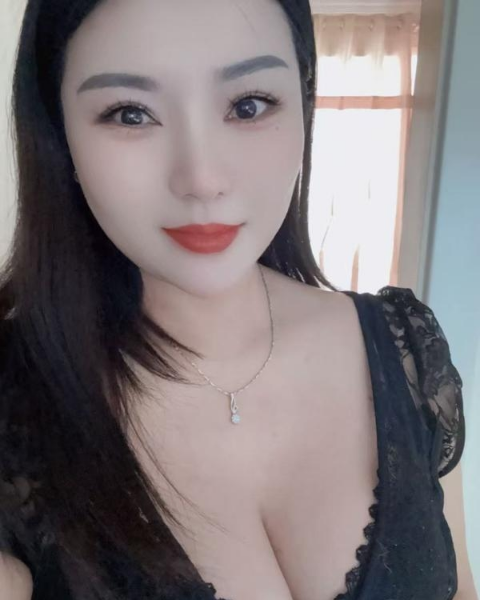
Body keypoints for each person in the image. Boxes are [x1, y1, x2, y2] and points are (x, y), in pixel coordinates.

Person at [0, 0, 476, 599]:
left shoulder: (406, 347)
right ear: (59, 135)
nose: (202, 179)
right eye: (130, 113)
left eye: (249, 105)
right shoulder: (15, 398)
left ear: (303, 106)